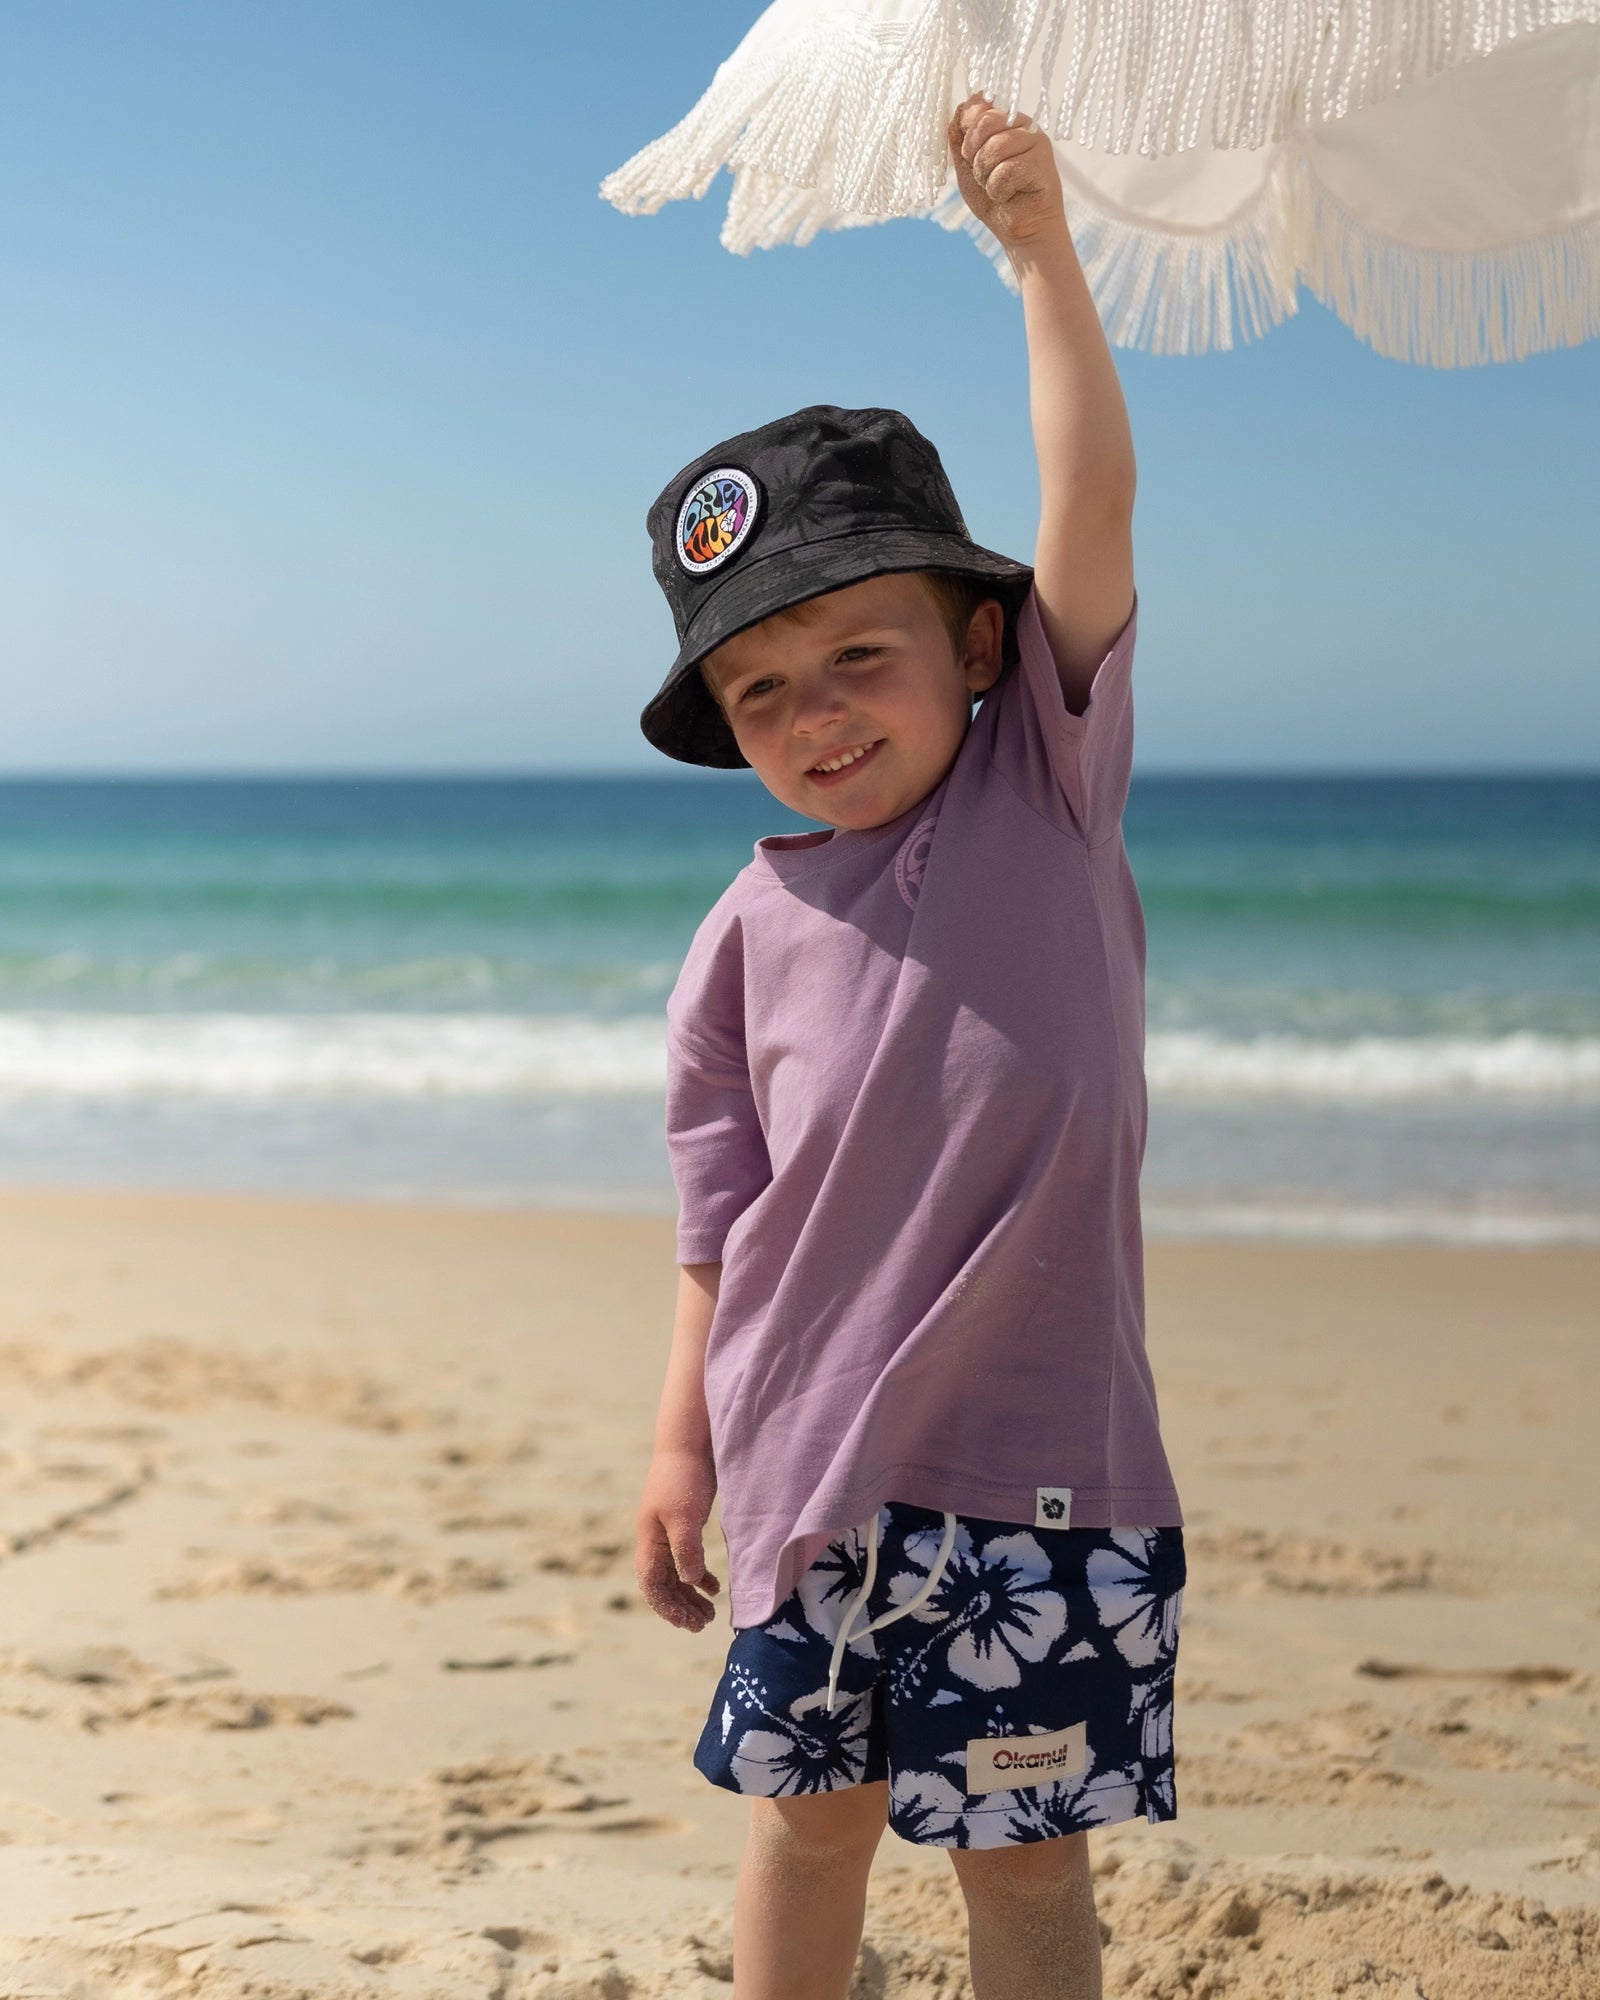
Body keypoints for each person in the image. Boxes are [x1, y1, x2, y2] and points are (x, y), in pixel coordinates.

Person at [632, 95, 1184, 2000]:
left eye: (856, 653)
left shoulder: (1046, 779)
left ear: (973, 645)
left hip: (1047, 1460)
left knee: (1027, 1854)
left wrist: (1040, 253)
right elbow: (723, 1214)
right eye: (760, 689)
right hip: (808, 1468)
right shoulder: (744, 929)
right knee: (809, 1829)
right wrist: (678, 1440)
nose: (814, 712)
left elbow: (1090, 507)